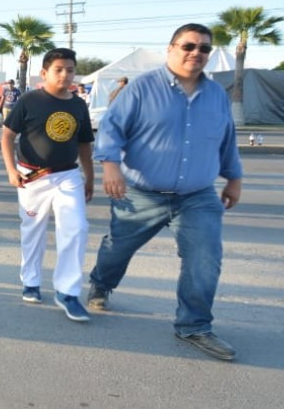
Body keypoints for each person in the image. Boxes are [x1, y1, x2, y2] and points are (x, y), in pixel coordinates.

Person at [88, 23, 243, 360]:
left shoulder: (216, 95)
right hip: (143, 193)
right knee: (117, 249)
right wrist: (110, 166)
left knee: (205, 257)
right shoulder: (142, 89)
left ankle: (194, 326)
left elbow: (226, 138)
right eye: (189, 46)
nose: (196, 53)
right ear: (171, 48)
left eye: (204, 48)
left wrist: (234, 177)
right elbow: (112, 129)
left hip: (198, 195)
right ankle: (101, 283)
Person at [0, 48, 95, 322]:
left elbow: (84, 144)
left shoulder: (78, 105)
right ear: (44, 73)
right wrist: (10, 170)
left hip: (67, 176)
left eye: (70, 70)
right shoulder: (29, 101)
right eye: (59, 70)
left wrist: (90, 177)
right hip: (32, 177)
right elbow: (7, 137)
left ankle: (67, 291)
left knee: (76, 228)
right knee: (33, 230)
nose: (65, 75)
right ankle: (30, 281)